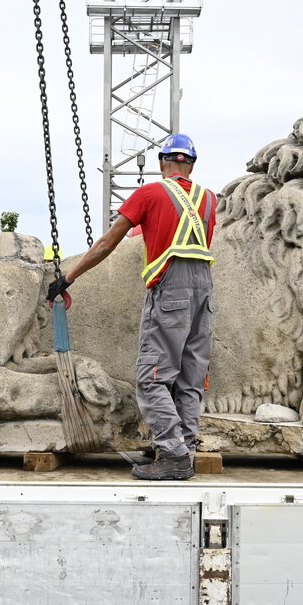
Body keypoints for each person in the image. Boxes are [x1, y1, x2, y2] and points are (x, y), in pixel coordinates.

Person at [47, 133, 215, 481]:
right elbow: (178, 235)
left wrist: (69, 277)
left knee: (152, 378)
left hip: (171, 291)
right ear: (192, 164)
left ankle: (172, 455)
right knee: (189, 378)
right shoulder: (209, 199)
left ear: (161, 162)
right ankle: (186, 449)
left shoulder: (150, 192)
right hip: (204, 294)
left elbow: (109, 242)